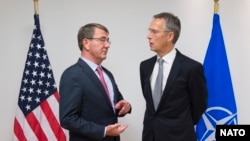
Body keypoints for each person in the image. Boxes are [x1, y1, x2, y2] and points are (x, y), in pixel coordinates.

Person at [139, 12, 208, 141]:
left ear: (170, 36)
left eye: (154, 32)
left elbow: (199, 105)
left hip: (179, 136)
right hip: (150, 136)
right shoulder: (145, 66)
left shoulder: (191, 68)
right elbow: (151, 104)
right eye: (149, 31)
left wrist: (179, 125)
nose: (148, 36)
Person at [59, 23, 131, 141]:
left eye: (108, 41)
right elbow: (68, 119)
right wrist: (103, 131)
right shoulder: (72, 75)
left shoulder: (107, 74)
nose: (107, 45)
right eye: (102, 40)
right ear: (86, 43)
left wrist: (125, 106)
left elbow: (115, 104)